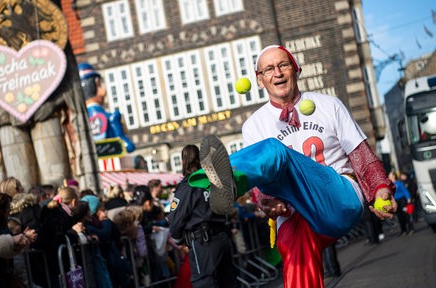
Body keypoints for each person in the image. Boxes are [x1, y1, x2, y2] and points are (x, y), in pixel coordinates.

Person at [191, 45, 397, 288]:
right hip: (295, 213)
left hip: (339, 200)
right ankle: (221, 180)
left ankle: (227, 178)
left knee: (275, 151)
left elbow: (362, 155)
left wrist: (380, 189)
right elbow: (262, 187)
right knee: (295, 257)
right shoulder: (253, 125)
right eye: (268, 69)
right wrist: (265, 201)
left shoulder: (329, 105)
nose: (277, 73)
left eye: (283, 65)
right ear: (259, 80)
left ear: (296, 70)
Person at [168, 144, 237, 288]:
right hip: (222, 236)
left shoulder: (188, 186)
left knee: (204, 282)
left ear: (183, 162)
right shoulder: (213, 182)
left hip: (203, 241)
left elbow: (176, 218)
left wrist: (178, 237)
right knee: (227, 280)